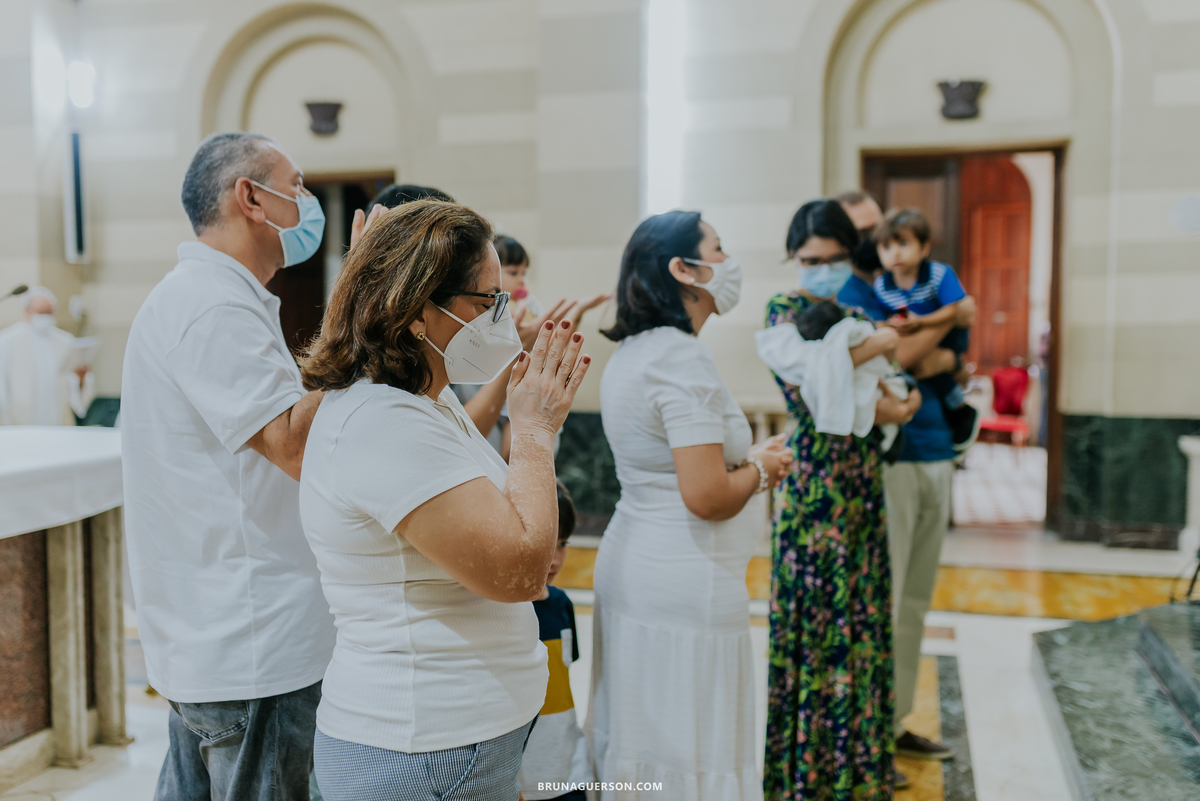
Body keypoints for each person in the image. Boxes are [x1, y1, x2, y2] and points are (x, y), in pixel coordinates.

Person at [297, 199, 591, 800]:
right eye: (488, 301)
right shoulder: (384, 423)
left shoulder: (422, 396)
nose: (502, 317)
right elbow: (522, 572)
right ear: (416, 315)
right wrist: (533, 431)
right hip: (422, 750)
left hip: (451, 743)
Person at [121, 132, 334, 801]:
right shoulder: (212, 305)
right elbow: (293, 447)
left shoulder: (213, 296)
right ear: (250, 196)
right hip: (251, 644)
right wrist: (370, 315)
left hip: (222, 634)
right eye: (295, 185)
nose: (306, 202)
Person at [587, 210, 792, 801]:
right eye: (718, 249)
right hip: (685, 580)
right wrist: (762, 469)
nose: (729, 263)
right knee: (687, 750)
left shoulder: (634, 351)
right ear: (684, 269)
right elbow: (704, 496)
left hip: (639, 563)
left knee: (644, 738)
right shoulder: (680, 356)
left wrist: (747, 460)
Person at [759, 198, 920, 799]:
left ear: (849, 258)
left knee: (861, 616)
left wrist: (879, 383)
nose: (820, 268)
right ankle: (809, 771)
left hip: (859, 477)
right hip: (814, 480)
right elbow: (808, 393)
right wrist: (873, 355)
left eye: (831, 258)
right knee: (815, 618)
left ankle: (858, 766)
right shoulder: (782, 310)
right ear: (795, 258)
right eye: (809, 259)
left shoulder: (854, 310)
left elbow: (890, 394)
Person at [871, 208, 979, 449]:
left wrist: (921, 322)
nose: (895, 252)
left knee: (939, 371)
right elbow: (882, 320)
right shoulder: (881, 285)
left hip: (949, 337)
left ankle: (960, 408)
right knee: (916, 369)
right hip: (913, 339)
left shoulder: (939, 274)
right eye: (886, 247)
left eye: (904, 244)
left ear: (924, 248)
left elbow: (956, 310)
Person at [517, 481, 595, 801]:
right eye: (546, 542)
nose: (555, 559)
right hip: (521, 776)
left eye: (562, 543)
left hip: (568, 772)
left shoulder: (562, 604)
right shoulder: (502, 612)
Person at [0, 286, 95, 425]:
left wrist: (80, 381)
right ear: (26, 312)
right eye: (41, 312)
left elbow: (72, 386)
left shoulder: (66, 341)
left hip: (58, 418)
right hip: (20, 421)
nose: (45, 316)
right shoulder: (8, 340)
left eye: (49, 312)